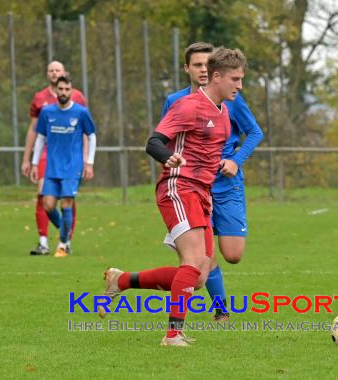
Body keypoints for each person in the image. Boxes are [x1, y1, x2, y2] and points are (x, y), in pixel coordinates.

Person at [100, 47, 247, 346]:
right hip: (178, 188)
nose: (240, 86)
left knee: (200, 275)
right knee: (193, 261)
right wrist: (169, 157)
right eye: (235, 79)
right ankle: (172, 335)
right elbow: (153, 142)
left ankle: (121, 280)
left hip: (201, 194)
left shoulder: (224, 116)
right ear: (216, 76)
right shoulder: (187, 106)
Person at [161, 42, 263, 321]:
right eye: (198, 65)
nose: (203, 70)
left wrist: (235, 160)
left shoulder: (230, 99)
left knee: (233, 253)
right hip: (192, 186)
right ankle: (220, 310)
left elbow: (254, 132)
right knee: (199, 261)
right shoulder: (177, 102)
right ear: (188, 69)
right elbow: (164, 140)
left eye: (208, 65)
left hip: (226, 183)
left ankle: (123, 282)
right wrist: (173, 165)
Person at [21, 61, 87, 256]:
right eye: (50, 70)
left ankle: (65, 241)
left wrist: (85, 158)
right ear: (47, 74)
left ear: (64, 72)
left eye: (57, 70)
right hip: (46, 154)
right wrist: (28, 158)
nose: (54, 73)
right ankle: (44, 241)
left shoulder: (77, 97)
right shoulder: (40, 98)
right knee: (44, 196)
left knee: (68, 199)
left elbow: (85, 130)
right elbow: (35, 131)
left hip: (70, 156)